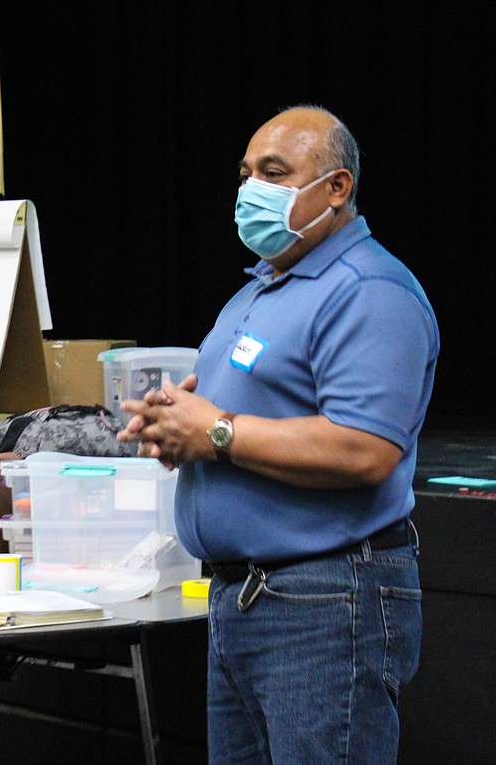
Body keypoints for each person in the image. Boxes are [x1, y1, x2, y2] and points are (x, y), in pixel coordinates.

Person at [118, 106, 438, 763]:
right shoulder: (261, 291)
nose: (250, 191)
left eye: (273, 172)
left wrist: (219, 433)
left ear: (337, 188)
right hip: (244, 597)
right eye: (245, 174)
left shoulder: (371, 291)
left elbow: (366, 449)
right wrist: (177, 429)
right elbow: (222, 421)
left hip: (325, 604)